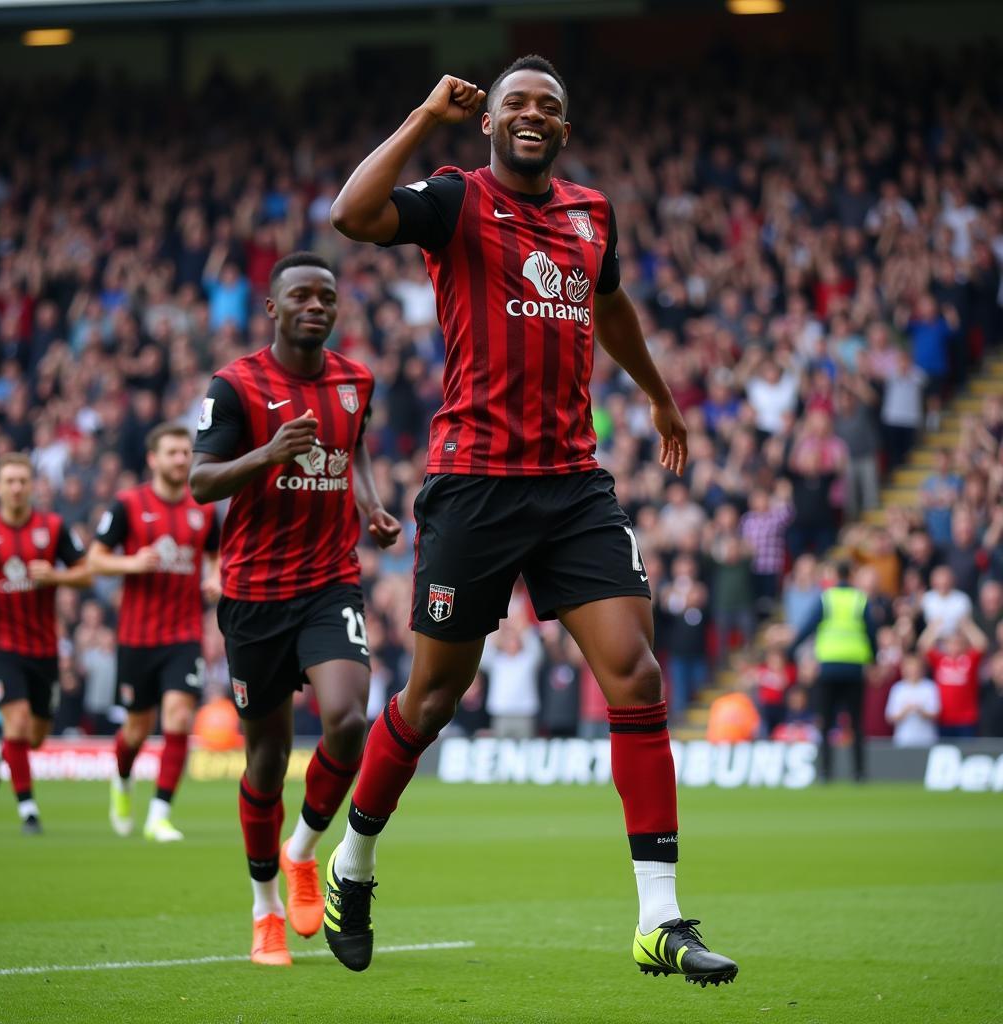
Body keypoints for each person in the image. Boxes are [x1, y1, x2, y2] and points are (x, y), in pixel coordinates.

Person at [328, 56, 737, 984]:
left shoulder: (593, 212)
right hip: (474, 485)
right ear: (489, 123)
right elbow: (352, 215)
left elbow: (611, 301)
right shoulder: (456, 198)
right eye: (515, 102)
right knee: (432, 700)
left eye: (548, 106)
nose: (531, 115)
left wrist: (662, 401)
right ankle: (353, 861)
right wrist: (426, 113)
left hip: (572, 485)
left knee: (636, 676)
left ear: (563, 127)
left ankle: (659, 920)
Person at [189, 252, 401, 966]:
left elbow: (357, 443)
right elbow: (199, 482)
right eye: (301, 296)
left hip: (329, 582)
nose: (317, 305)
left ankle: (305, 850)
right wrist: (268, 454)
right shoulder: (235, 385)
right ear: (273, 309)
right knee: (267, 757)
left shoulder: (354, 379)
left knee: (346, 721)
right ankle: (265, 906)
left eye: (327, 296)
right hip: (252, 596)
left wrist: (368, 502)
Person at [87, 422, 221, 842]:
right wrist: (131, 564)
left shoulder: (203, 508)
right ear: (153, 459)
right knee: (137, 729)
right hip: (136, 638)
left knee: (179, 718)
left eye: (186, 452)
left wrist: (216, 577)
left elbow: (216, 555)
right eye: (173, 453)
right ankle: (123, 780)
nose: (181, 459)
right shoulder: (128, 504)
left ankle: (159, 815)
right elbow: (94, 559)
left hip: (183, 635)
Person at [0, 452, 90, 833]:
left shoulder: (53, 527)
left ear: (32, 486)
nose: (15, 488)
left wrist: (57, 577)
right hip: (0, 643)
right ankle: (28, 810)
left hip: (43, 647)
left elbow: (86, 574)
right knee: (18, 719)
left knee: (36, 738)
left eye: (21, 481)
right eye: (8, 481)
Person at [788, 561, 877, 782]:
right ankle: (859, 773)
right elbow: (872, 632)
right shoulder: (860, 599)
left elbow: (808, 627)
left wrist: (791, 650)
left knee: (826, 723)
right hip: (855, 667)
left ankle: (826, 772)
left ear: (835, 575)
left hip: (828, 667)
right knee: (856, 723)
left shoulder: (826, 598)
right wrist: (873, 659)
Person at [884, 652, 940, 748]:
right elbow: (890, 716)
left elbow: (936, 713)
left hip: (926, 739)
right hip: (903, 739)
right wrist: (905, 711)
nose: (913, 671)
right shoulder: (898, 688)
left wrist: (920, 711)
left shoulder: (930, 687)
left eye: (915, 668)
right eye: (909, 667)